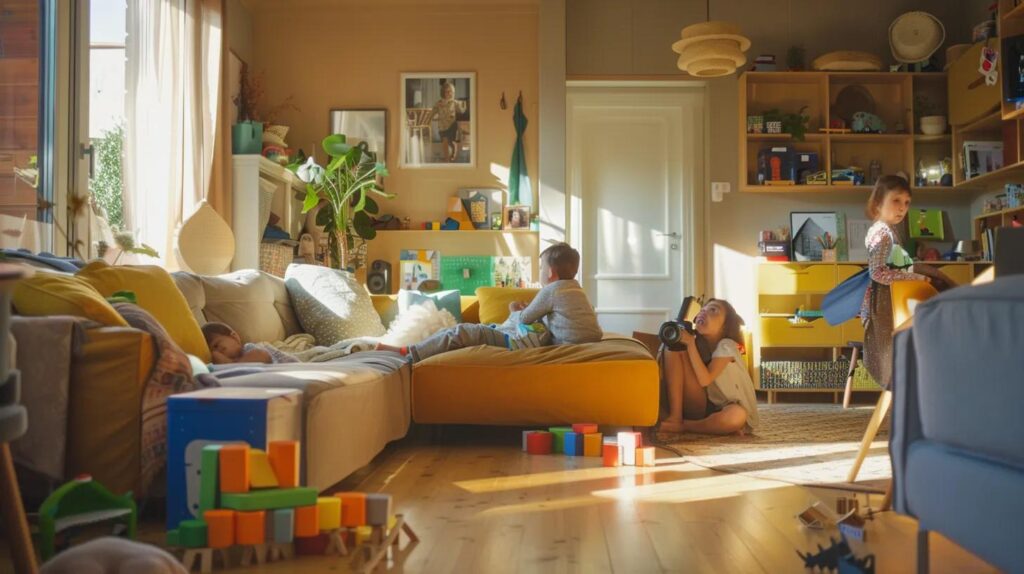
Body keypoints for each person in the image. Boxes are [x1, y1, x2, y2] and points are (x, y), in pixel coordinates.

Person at [376, 242, 603, 361]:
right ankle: (413, 349)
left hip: (518, 342)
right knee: (479, 330)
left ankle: (409, 352)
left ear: (551, 272)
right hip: (564, 340)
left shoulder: (552, 290)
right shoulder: (577, 290)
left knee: (462, 331)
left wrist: (514, 309)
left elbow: (524, 318)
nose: (541, 271)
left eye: (541, 267)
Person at [860, 175, 950, 389]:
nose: (902, 208)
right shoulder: (882, 233)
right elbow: (878, 272)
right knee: (896, 351)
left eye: (907, 202)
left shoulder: (888, 230)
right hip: (887, 302)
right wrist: (917, 277)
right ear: (878, 203)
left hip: (895, 297)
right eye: (896, 201)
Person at [659, 299, 759, 435]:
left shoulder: (727, 345)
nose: (704, 312)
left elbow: (705, 380)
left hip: (732, 408)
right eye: (703, 309)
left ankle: (685, 426)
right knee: (673, 347)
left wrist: (690, 344)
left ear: (725, 326)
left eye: (713, 310)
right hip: (706, 405)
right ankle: (675, 417)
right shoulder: (699, 344)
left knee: (736, 415)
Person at [201, 322, 297, 365]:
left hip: (296, 369)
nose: (216, 354)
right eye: (212, 351)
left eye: (216, 346)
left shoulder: (248, 348)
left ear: (234, 337)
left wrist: (230, 364)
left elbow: (262, 356)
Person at [428, 81, 467, 162]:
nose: (450, 93)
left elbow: (461, 111)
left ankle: (454, 150)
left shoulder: (455, 103)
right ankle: (446, 158)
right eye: (447, 91)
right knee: (445, 142)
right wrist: (429, 118)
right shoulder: (439, 103)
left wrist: (463, 107)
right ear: (443, 93)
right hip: (442, 126)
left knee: (451, 142)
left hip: (452, 125)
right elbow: (433, 112)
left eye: (452, 92)